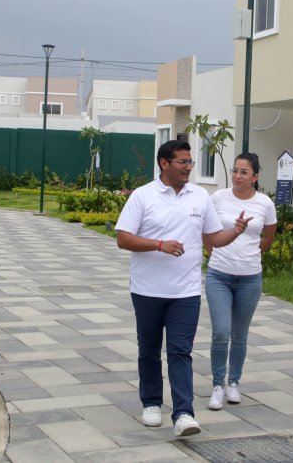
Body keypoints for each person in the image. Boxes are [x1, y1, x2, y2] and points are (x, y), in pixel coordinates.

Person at [115, 140, 252, 437]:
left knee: (180, 351)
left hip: (186, 292)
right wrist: (159, 245)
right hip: (147, 290)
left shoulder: (200, 197)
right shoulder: (143, 196)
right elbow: (123, 238)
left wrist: (235, 233)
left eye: (190, 162)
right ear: (164, 163)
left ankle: (183, 413)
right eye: (183, 162)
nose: (189, 167)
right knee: (149, 350)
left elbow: (214, 238)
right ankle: (151, 403)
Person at [205, 153, 278, 410]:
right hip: (219, 275)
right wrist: (212, 251)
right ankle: (217, 385)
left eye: (244, 172)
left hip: (249, 278)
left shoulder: (265, 203)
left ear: (255, 177)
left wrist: (252, 252)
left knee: (239, 335)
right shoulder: (218, 198)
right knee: (221, 332)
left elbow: (269, 235)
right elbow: (208, 231)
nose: (237, 176)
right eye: (235, 170)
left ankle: (233, 383)